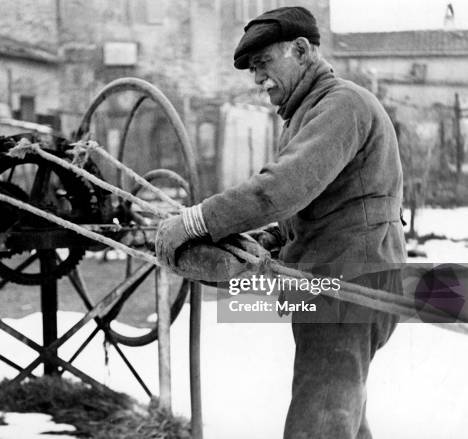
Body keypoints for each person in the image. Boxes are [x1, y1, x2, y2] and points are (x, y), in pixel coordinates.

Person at [155, 6, 406, 439]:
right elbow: (308, 211)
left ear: (302, 49)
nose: (258, 78)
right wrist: (264, 241)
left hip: (350, 288)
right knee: (340, 415)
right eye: (253, 69)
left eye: (264, 63)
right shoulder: (307, 113)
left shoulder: (341, 105)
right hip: (333, 286)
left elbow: (281, 189)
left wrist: (196, 220)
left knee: (319, 424)